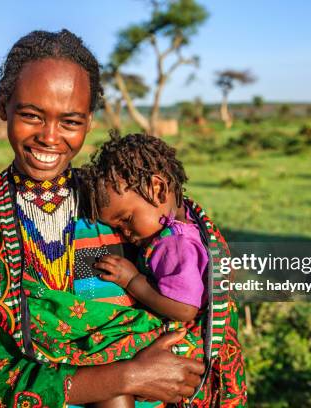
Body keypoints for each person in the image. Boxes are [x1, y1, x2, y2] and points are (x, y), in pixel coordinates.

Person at [0, 29, 246, 408]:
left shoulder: (124, 202)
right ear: (4, 105)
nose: (50, 138)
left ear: (89, 121)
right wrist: (127, 376)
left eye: (70, 122)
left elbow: (205, 313)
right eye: (31, 115)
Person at [79, 133, 231, 408]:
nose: (125, 233)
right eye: (116, 228)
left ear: (158, 189)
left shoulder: (174, 243)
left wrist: (133, 281)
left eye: (126, 219)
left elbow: (183, 309)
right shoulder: (178, 228)